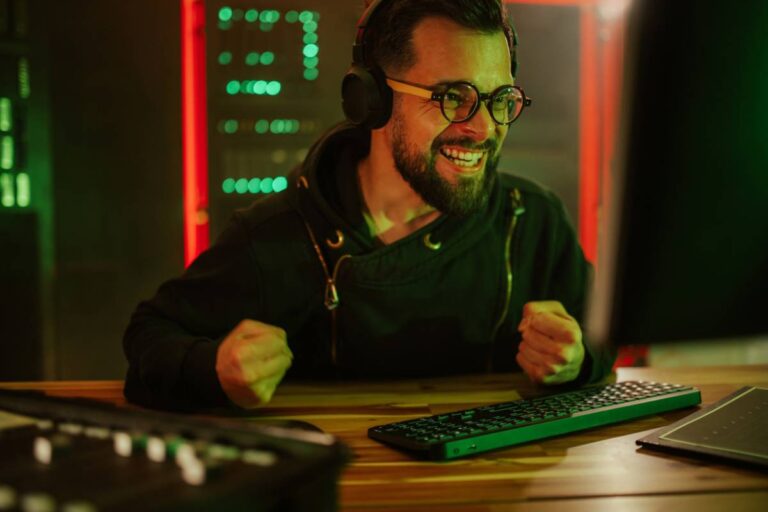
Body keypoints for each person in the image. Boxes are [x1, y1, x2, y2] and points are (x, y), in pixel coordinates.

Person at [123, 0, 615, 411]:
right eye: (452, 97)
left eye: (499, 98)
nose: (483, 128)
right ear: (371, 99)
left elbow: (604, 338)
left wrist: (577, 359)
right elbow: (150, 336)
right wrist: (216, 372)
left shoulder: (531, 220)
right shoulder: (278, 235)